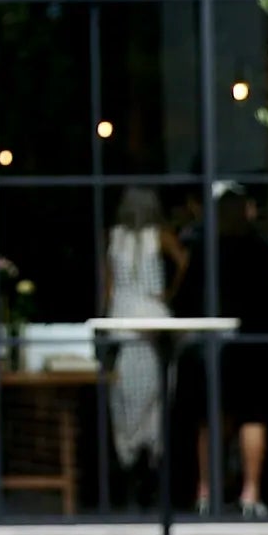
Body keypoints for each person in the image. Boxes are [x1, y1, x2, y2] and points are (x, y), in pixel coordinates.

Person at [180, 185, 268, 517]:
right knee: (252, 417)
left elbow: (187, 298)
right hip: (252, 344)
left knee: (211, 418)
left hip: (214, 343)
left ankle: (205, 492)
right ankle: (250, 494)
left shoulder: (204, 249)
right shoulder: (260, 249)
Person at [103, 188, 173, 489]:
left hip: (125, 318)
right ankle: (145, 453)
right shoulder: (157, 235)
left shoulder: (116, 237)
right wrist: (166, 296)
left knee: (127, 392)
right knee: (151, 390)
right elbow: (185, 262)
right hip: (147, 319)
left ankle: (132, 453)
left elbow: (107, 286)